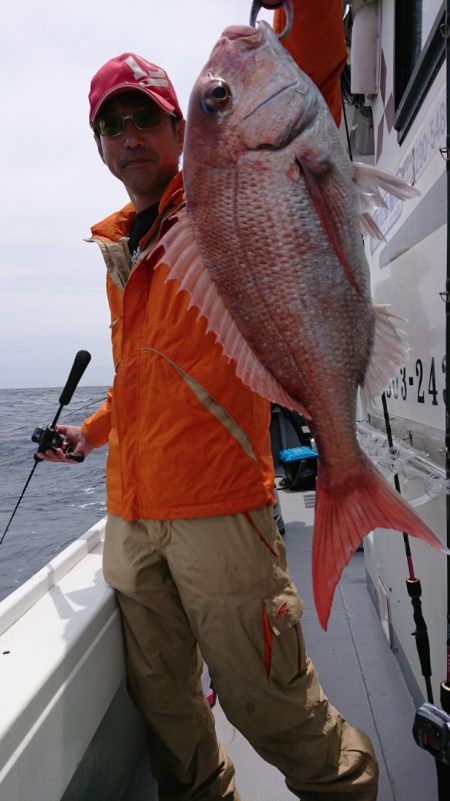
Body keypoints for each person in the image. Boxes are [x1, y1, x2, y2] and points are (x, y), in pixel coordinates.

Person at [41, 2, 379, 799]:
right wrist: (88, 436)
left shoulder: (230, 191)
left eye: (146, 118)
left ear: (176, 126)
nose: (130, 138)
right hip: (132, 519)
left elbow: (318, 50)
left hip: (220, 511)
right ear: (99, 145)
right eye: (111, 125)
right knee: (169, 716)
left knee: (275, 711)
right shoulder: (122, 242)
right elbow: (145, 379)